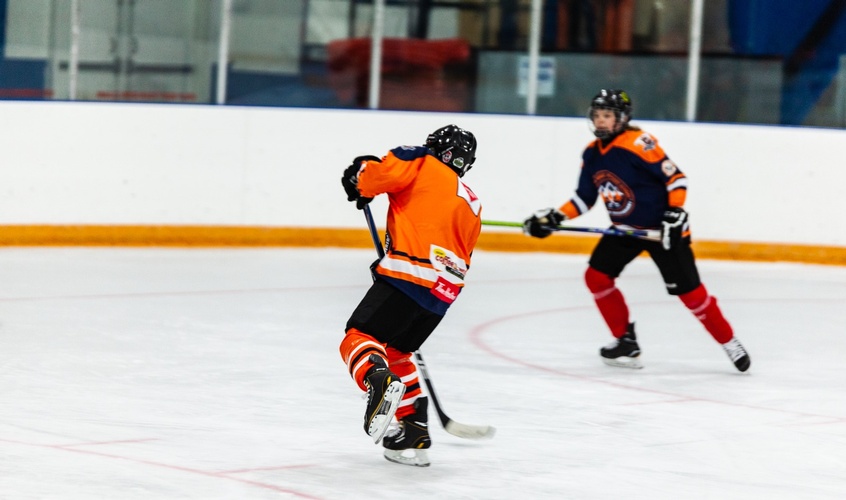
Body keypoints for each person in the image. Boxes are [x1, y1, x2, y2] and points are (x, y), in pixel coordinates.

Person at [523, 89, 751, 372]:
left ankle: (729, 342)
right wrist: (555, 217)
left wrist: (674, 213)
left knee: (692, 296)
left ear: (622, 118)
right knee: (596, 277)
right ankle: (625, 341)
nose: (601, 121)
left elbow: (676, 179)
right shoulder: (592, 154)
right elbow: (585, 197)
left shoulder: (638, 144)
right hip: (625, 231)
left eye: (607, 116)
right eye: (597, 115)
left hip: (662, 231)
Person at [339, 124, 482, 466]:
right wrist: (394, 259)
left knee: (358, 338)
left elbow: (373, 178)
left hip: (410, 274)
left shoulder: (419, 159)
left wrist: (359, 172)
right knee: (398, 351)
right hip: (443, 293)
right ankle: (413, 433)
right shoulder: (473, 202)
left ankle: (377, 379)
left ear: (437, 149)